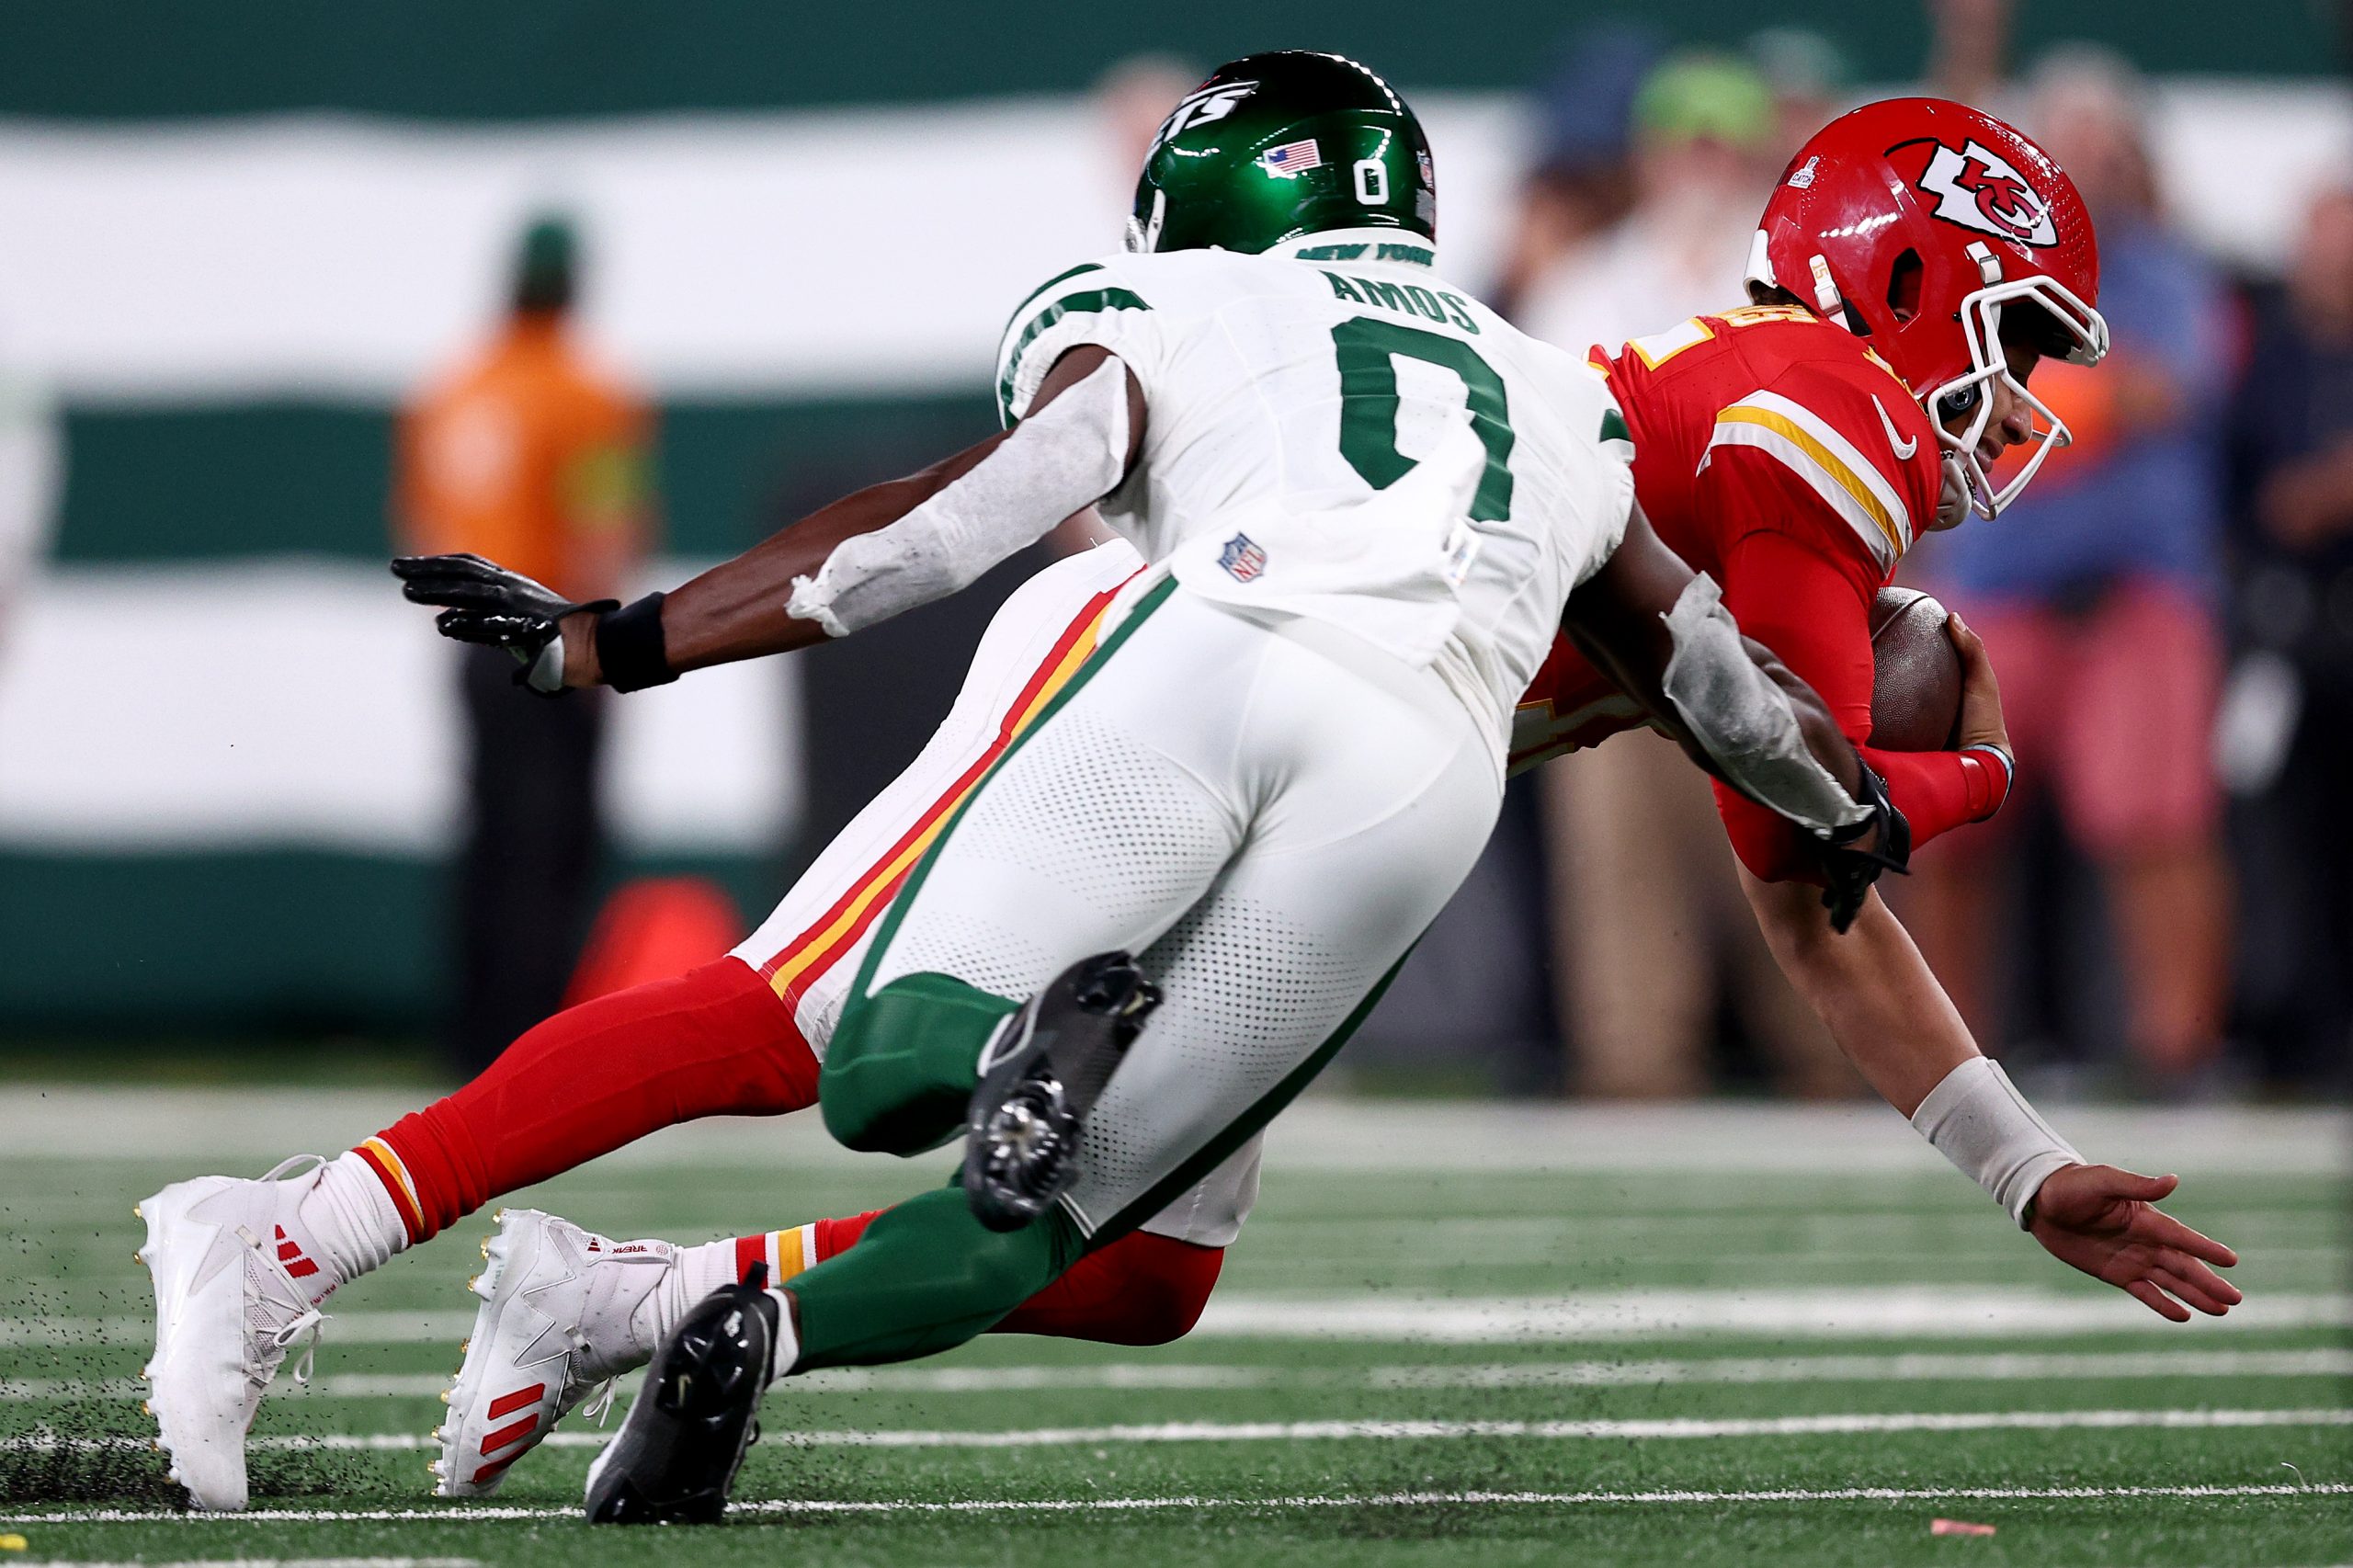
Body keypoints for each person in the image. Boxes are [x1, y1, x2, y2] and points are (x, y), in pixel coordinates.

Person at [132, 84, 2239, 1516]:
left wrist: (2010, 1159)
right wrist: (1956, 757)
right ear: (1900, 276)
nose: (2021, 396)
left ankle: (637, 1291)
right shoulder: (1765, 399)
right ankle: (306, 1227)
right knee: (806, 1029)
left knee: (1126, 1261)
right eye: (2018, 338)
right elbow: (1797, 759)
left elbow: (1796, 860)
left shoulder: (1578, 394)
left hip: (1306, 724)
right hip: (1204, 674)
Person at [1519, 52, 1848, 1097]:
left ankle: (1844, 1072)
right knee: (1620, 870)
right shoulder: (1581, 280)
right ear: (1649, 155)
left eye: (1721, 141)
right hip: (1617, 606)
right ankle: (1633, 1077)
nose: (1701, 163)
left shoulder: (1803, 287)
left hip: (1767, 607)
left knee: (1805, 850)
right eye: (1683, 141)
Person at [1904, 52, 2236, 1090]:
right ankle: (1944, 1057)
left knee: (2153, 824)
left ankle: (2176, 1050)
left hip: (2129, 594)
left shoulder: (2168, 274)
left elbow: (2156, 392)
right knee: (1949, 827)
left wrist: (2032, 412)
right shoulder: (1969, 277)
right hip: (1995, 588)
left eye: (2101, 149)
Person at [396, 214, 657, 1071]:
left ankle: (466, 1035)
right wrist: (601, 649)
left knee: (486, 839)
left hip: (468, 642)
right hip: (552, 633)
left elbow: (419, 522)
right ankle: (531, 1043)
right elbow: (602, 526)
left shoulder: (452, 385)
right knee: (553, 849)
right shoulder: (586, 391)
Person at [2224, 180, 2353, 1087]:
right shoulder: (2274, 356)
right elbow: (2246, 493)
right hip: (2291, 627)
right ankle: (2294, 1031)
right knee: (2284, 841)